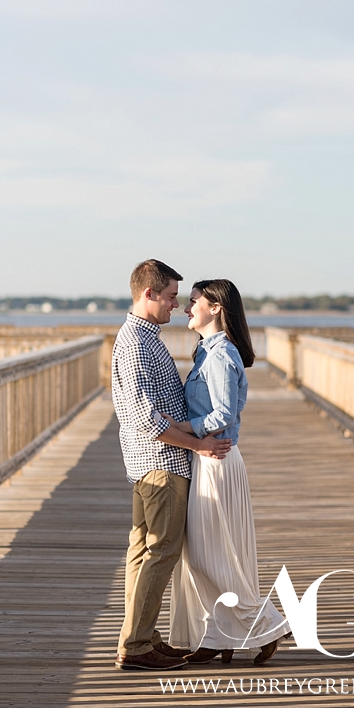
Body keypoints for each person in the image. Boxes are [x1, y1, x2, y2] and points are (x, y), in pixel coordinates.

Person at [110, 258, 232, 672]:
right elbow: (147, 418)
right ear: (149, 294)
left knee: (144, 551)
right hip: (160, 463)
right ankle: (138, 645)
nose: (175, 306)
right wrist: (197, 445)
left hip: (152, 462)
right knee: (160, 550)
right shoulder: (138, 344)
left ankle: (140, 638)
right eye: (170, 297)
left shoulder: (143, 337)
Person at [166, 279, 286, 665]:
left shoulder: (219, 355)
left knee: (209, 557)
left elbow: (222, 416)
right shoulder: (206, 350)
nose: (187, 309)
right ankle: (218, 635)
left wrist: (176, 427)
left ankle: (268, 623)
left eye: (194, 301)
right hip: (210, 458)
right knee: (206, 553)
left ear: (215, 307)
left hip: (216, 459)